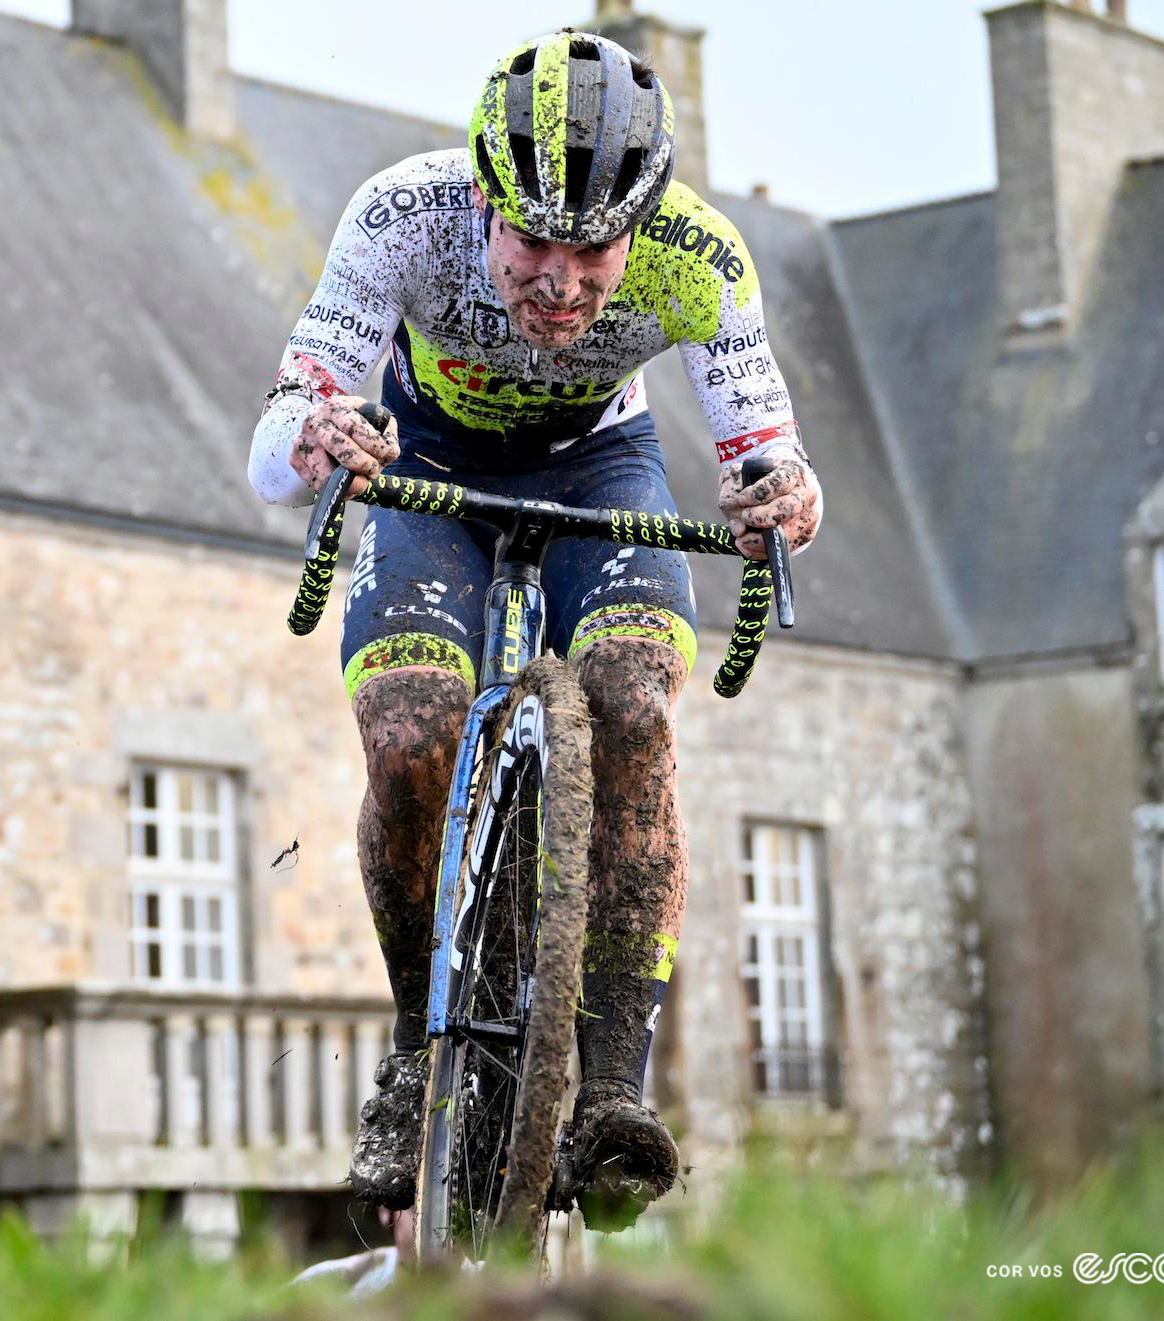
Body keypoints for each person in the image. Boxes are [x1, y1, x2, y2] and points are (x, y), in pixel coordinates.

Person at [246, 28, 822, 1231]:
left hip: (599, 467)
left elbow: (771, 459)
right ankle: (417, 1051)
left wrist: (786, 497)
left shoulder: (703, 259)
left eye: (594, 248)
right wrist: (323, 436)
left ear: (641, 228)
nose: (561, 282)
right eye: (530, 243)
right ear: (480, 198)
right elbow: (274, 453)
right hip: (429, 458)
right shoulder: (400, 216)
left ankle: (612, 1082)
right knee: (409, 735)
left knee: (632, 706)